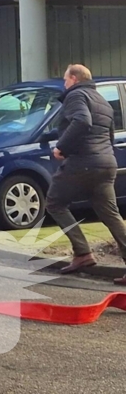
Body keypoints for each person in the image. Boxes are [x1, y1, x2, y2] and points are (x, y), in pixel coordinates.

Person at [45, 64, 126, 283]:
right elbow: (109, 136)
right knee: (110, 214)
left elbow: (82, 120)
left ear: (74, 78)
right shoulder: (103, 101)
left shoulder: (76, 95)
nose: (64, 84)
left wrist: (61, 147)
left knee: (54, 203)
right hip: (106, 162)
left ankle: (82, 253)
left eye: (65, 80)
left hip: (82, 162)